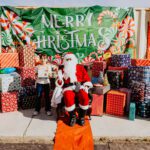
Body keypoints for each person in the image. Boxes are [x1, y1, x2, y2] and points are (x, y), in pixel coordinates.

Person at [53, 53, 93, 126]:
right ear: (64, 60)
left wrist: (86, 86)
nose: (69, 61)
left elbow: (86, 78)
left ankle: (81, 117)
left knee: (84, 96)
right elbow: (60, 83)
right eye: (67, 59)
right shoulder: (62, 70)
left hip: (79, 86)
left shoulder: (80, 68)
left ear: (74, 60)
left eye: (70, 59)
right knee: (68, 97)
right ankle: (72, 116)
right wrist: (59, 78)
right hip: (68, 87)